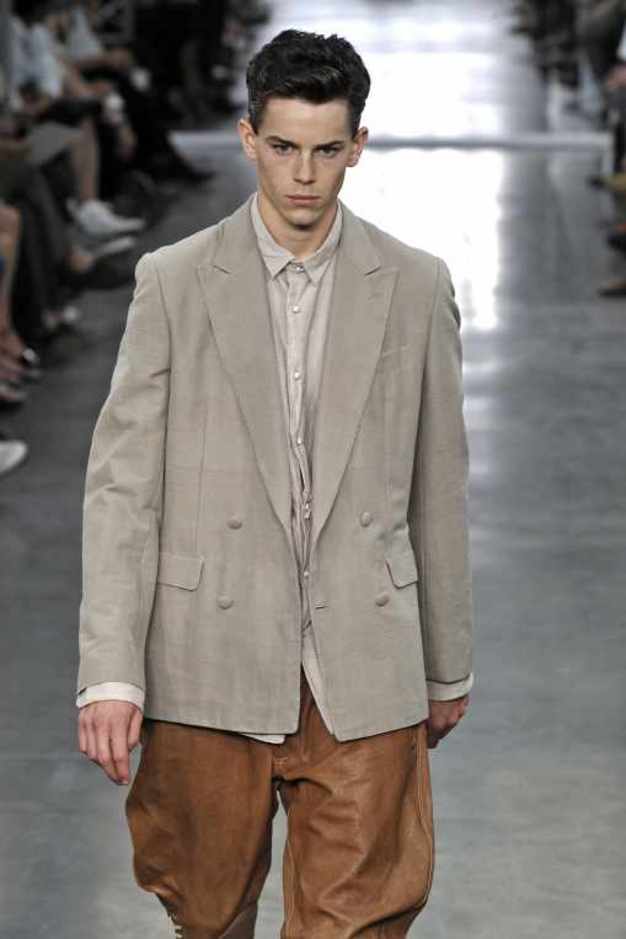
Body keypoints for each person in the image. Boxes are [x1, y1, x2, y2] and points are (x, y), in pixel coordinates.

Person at [76, 28, 474, 938]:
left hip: (363, 661)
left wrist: (446, 661)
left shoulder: (415, 286)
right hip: (204, 660)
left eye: (327, 150)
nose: (304, 175)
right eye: (285, 146)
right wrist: (109, 671)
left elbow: (437, 486)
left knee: (357, 921)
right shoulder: (174, 282)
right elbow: (123, 489)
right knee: (208, 914)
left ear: (357, 145)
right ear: (249, 137)